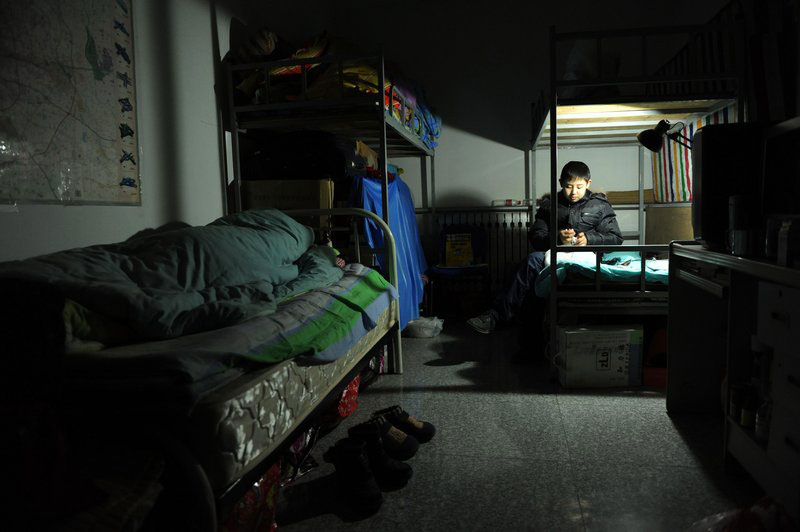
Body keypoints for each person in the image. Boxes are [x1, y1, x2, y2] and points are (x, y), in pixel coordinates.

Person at [466, 161, 623, 334]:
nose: (573, 192)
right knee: (532, 260)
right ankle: (495, 317)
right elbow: (536, 237)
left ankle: (507, 319)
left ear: (588, 183)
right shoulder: (549, 205)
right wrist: (557, 239)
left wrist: (589, 239)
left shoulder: (600, 205)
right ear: (561, 183)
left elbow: (615, 238)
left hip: (588, 257)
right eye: (568, 186)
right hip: (555, 254)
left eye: (579, 187)